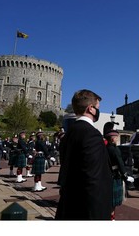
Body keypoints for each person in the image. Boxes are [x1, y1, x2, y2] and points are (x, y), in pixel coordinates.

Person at [55, 89, 112, 220]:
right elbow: (93, 179)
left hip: (69, 204)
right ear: (91, 108)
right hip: (87, 209)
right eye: (97, 107)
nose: (98, 110)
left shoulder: (69, 133)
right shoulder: (91, 134)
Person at [104, 129, 134, 220]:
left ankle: (109, 217)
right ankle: (111, 218)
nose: (117, 139)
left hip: (107, 176)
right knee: (113, 202)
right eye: (116, 137)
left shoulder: (105, 148)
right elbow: (120, 163)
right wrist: (125, 175)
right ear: (112, 138)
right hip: (115, 176)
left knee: (108, 200)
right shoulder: (115, 149)